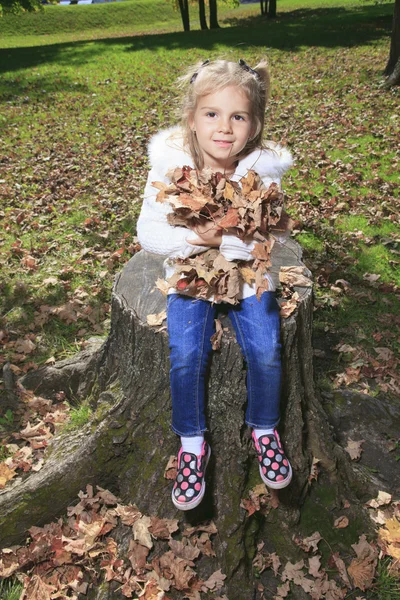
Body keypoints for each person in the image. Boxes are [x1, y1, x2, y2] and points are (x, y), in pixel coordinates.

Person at [137, 58, 293, 511]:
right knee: (187, 352)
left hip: (246, 279)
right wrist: (196, 237)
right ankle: (191, 444)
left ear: (253, 124)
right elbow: (148, 233)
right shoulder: (171, 168)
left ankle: (265, 430)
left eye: (237, 116)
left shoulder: (260, 172)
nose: (224, 127)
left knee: (266, 348)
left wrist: (230, 239)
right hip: (190, 273)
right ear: (192, 118)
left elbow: (272, 233)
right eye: (212, 114)